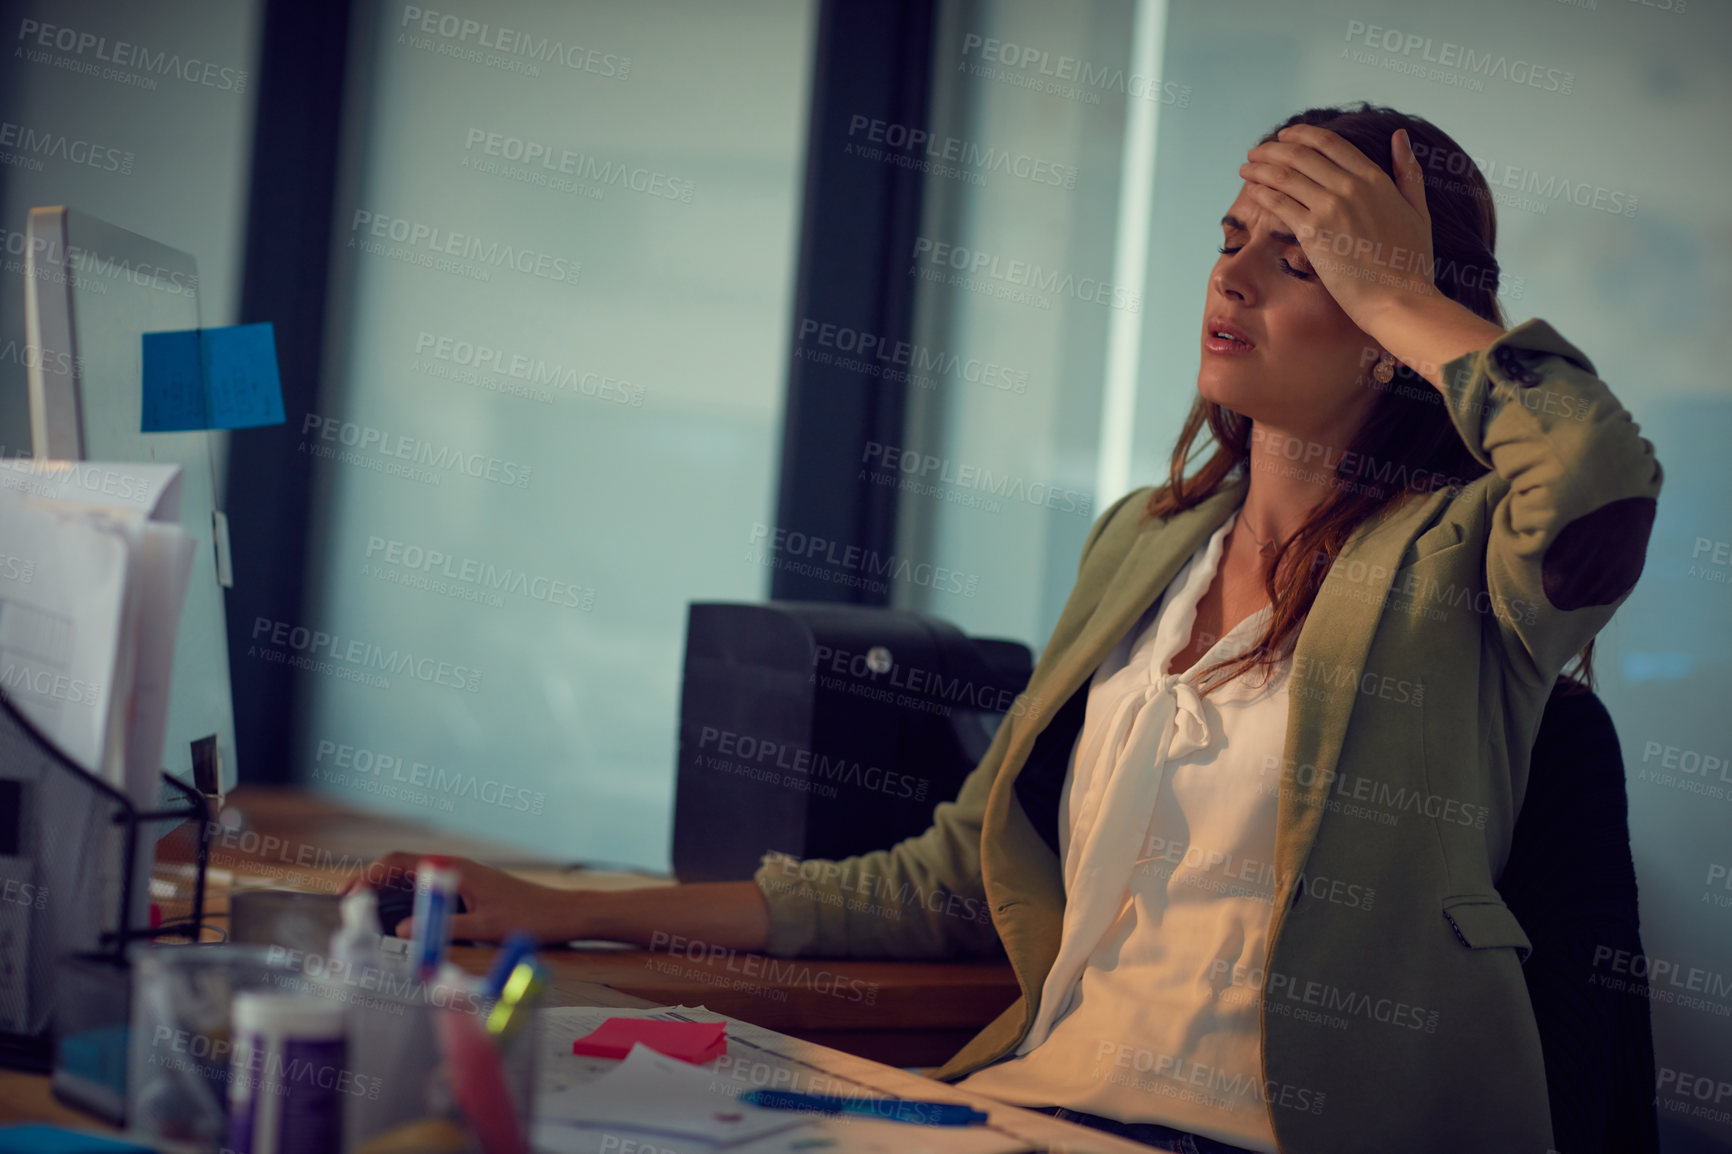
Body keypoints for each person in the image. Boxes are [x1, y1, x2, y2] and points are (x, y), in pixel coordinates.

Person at [349, 102, 1662, 1153]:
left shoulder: (1460, 573)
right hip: (1040, 1106)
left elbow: (1599, 477)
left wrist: (1403, 291)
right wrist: (560, 906)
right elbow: (951, 878)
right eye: (1231, 236)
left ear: (1387, 327)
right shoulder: (1148, 540)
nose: (1234, 277)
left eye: (1301, 256)